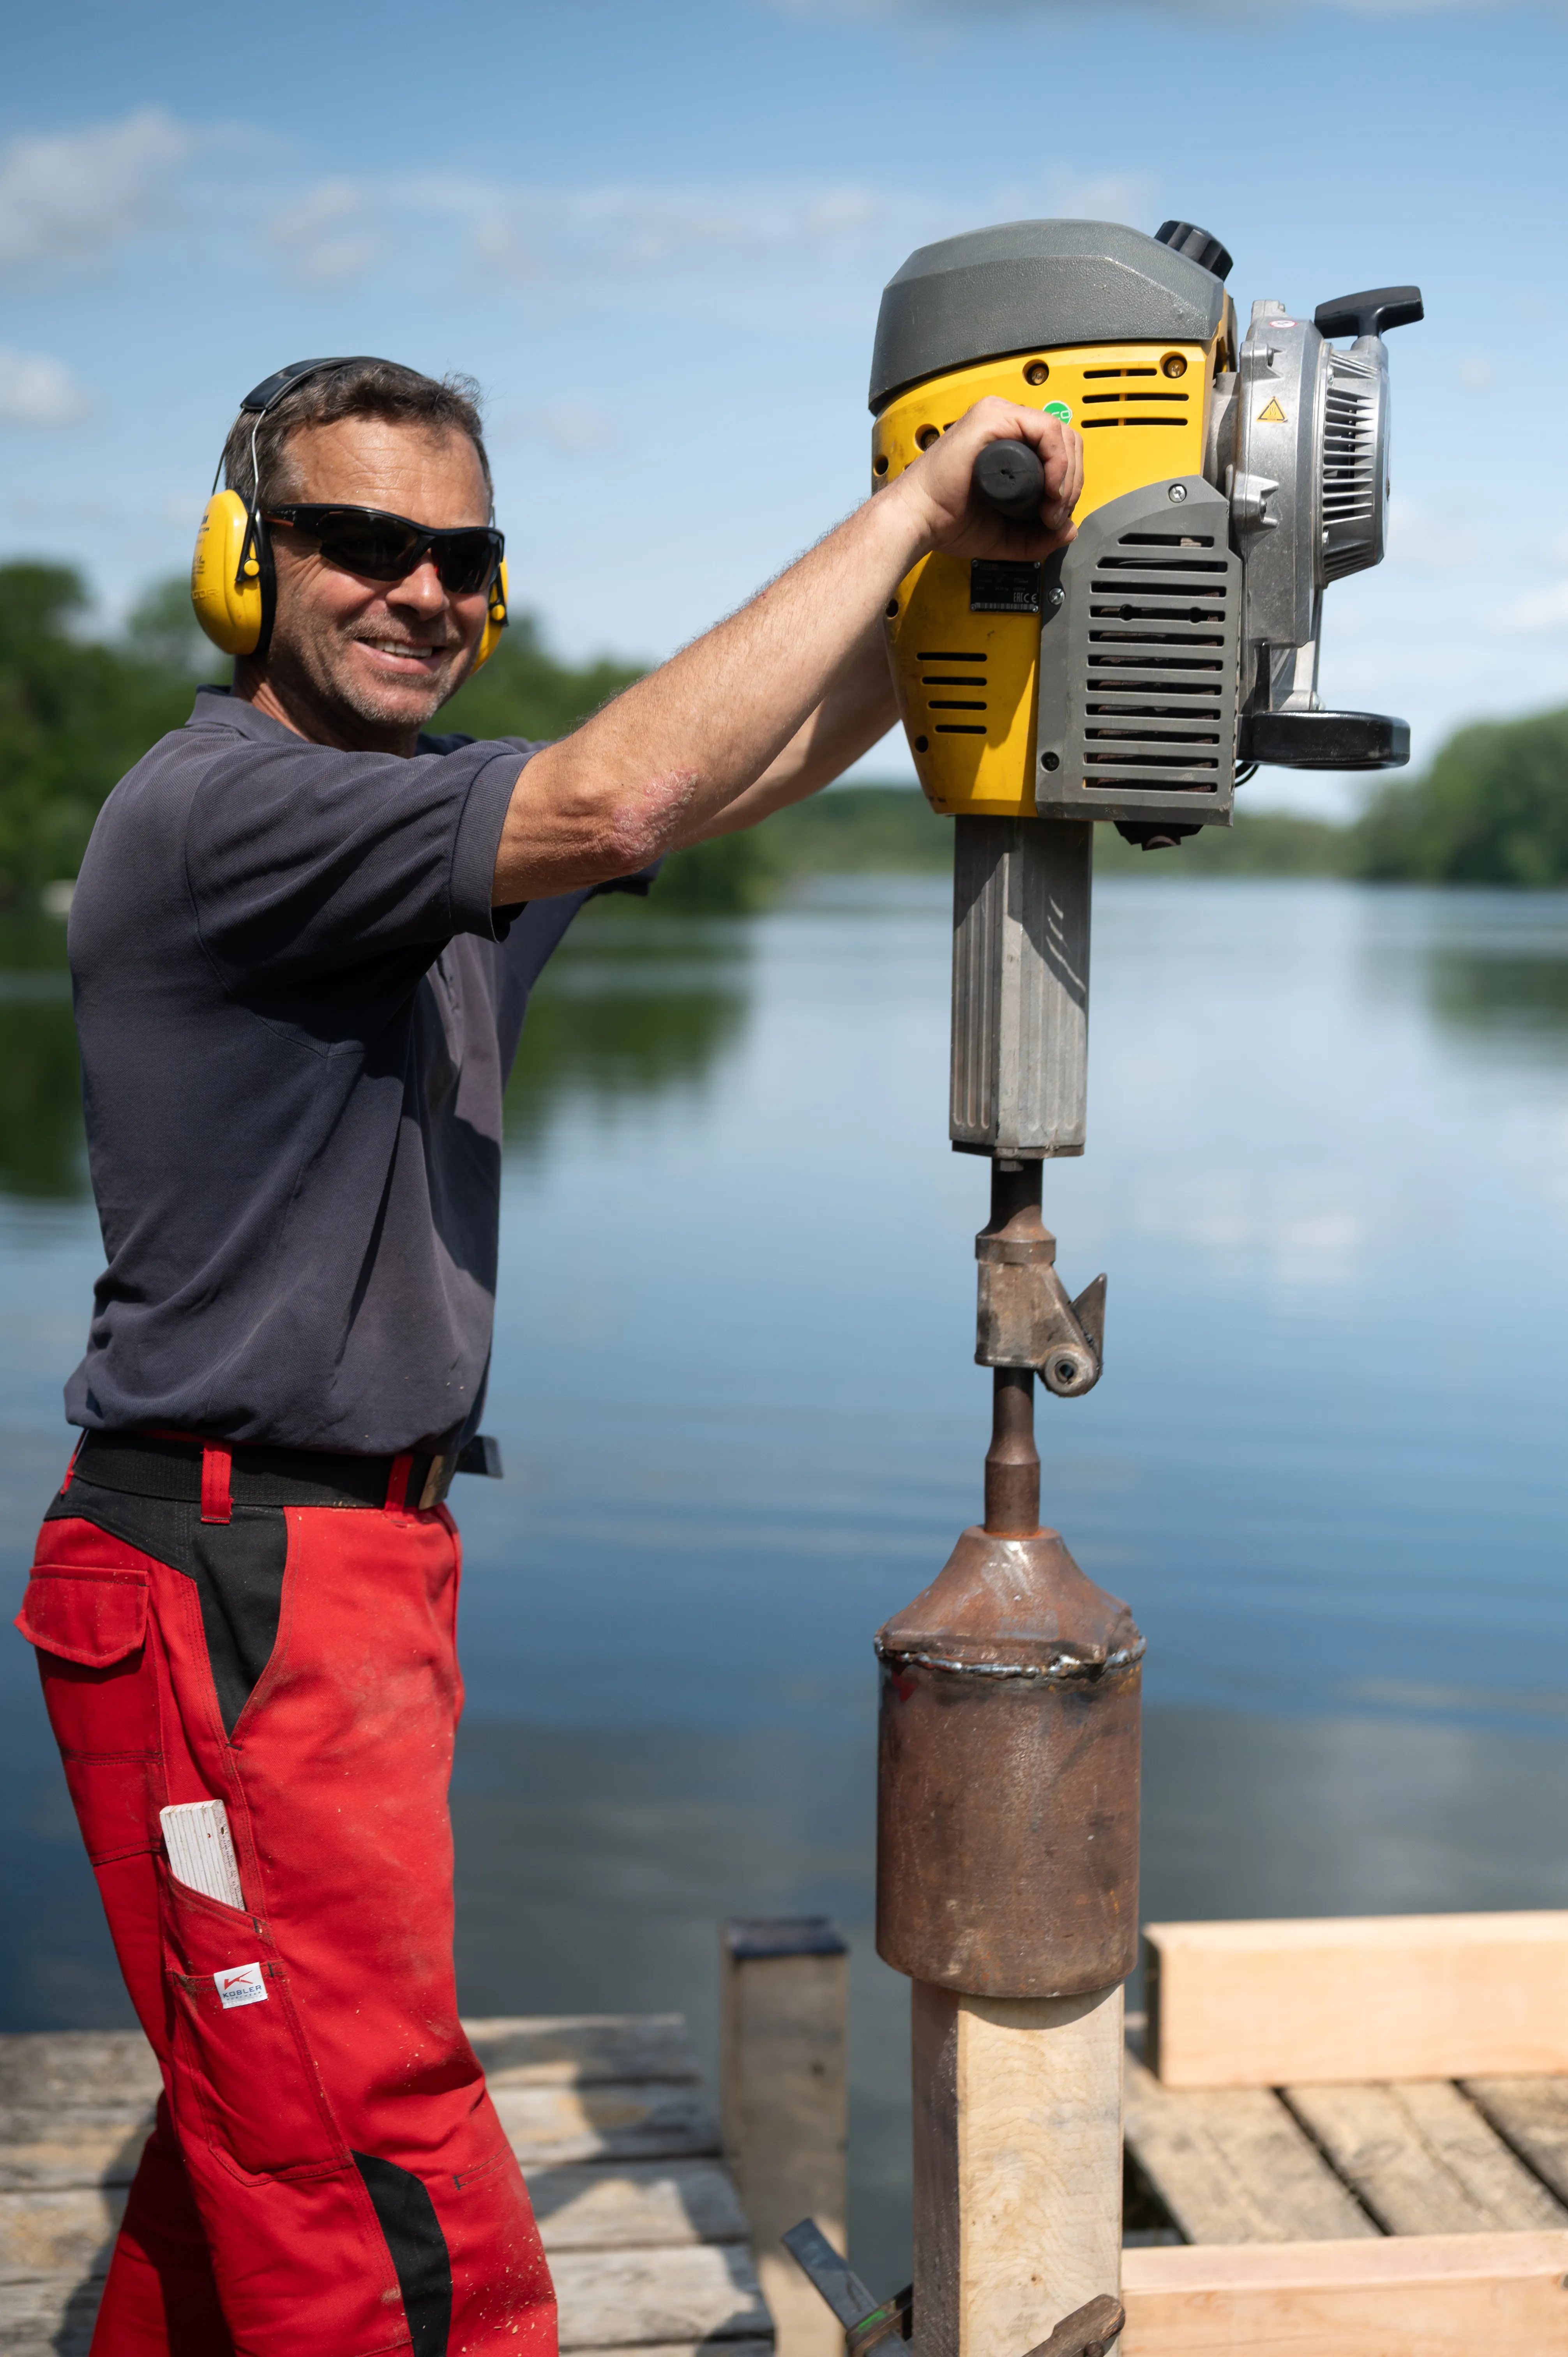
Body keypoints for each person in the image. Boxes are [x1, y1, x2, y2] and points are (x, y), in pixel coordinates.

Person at [14, 355, 1082, 2357]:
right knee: (372, 2165)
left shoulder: (413, 835)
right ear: (242, 567)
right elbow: (630, 785)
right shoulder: (224, 814)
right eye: (359, 545)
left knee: (264, 2138)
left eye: (461, 558)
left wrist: (965, 589)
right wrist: (917, 506)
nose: (421, 593)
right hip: (227, 1589)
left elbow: (746, 765)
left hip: (351, 1579)